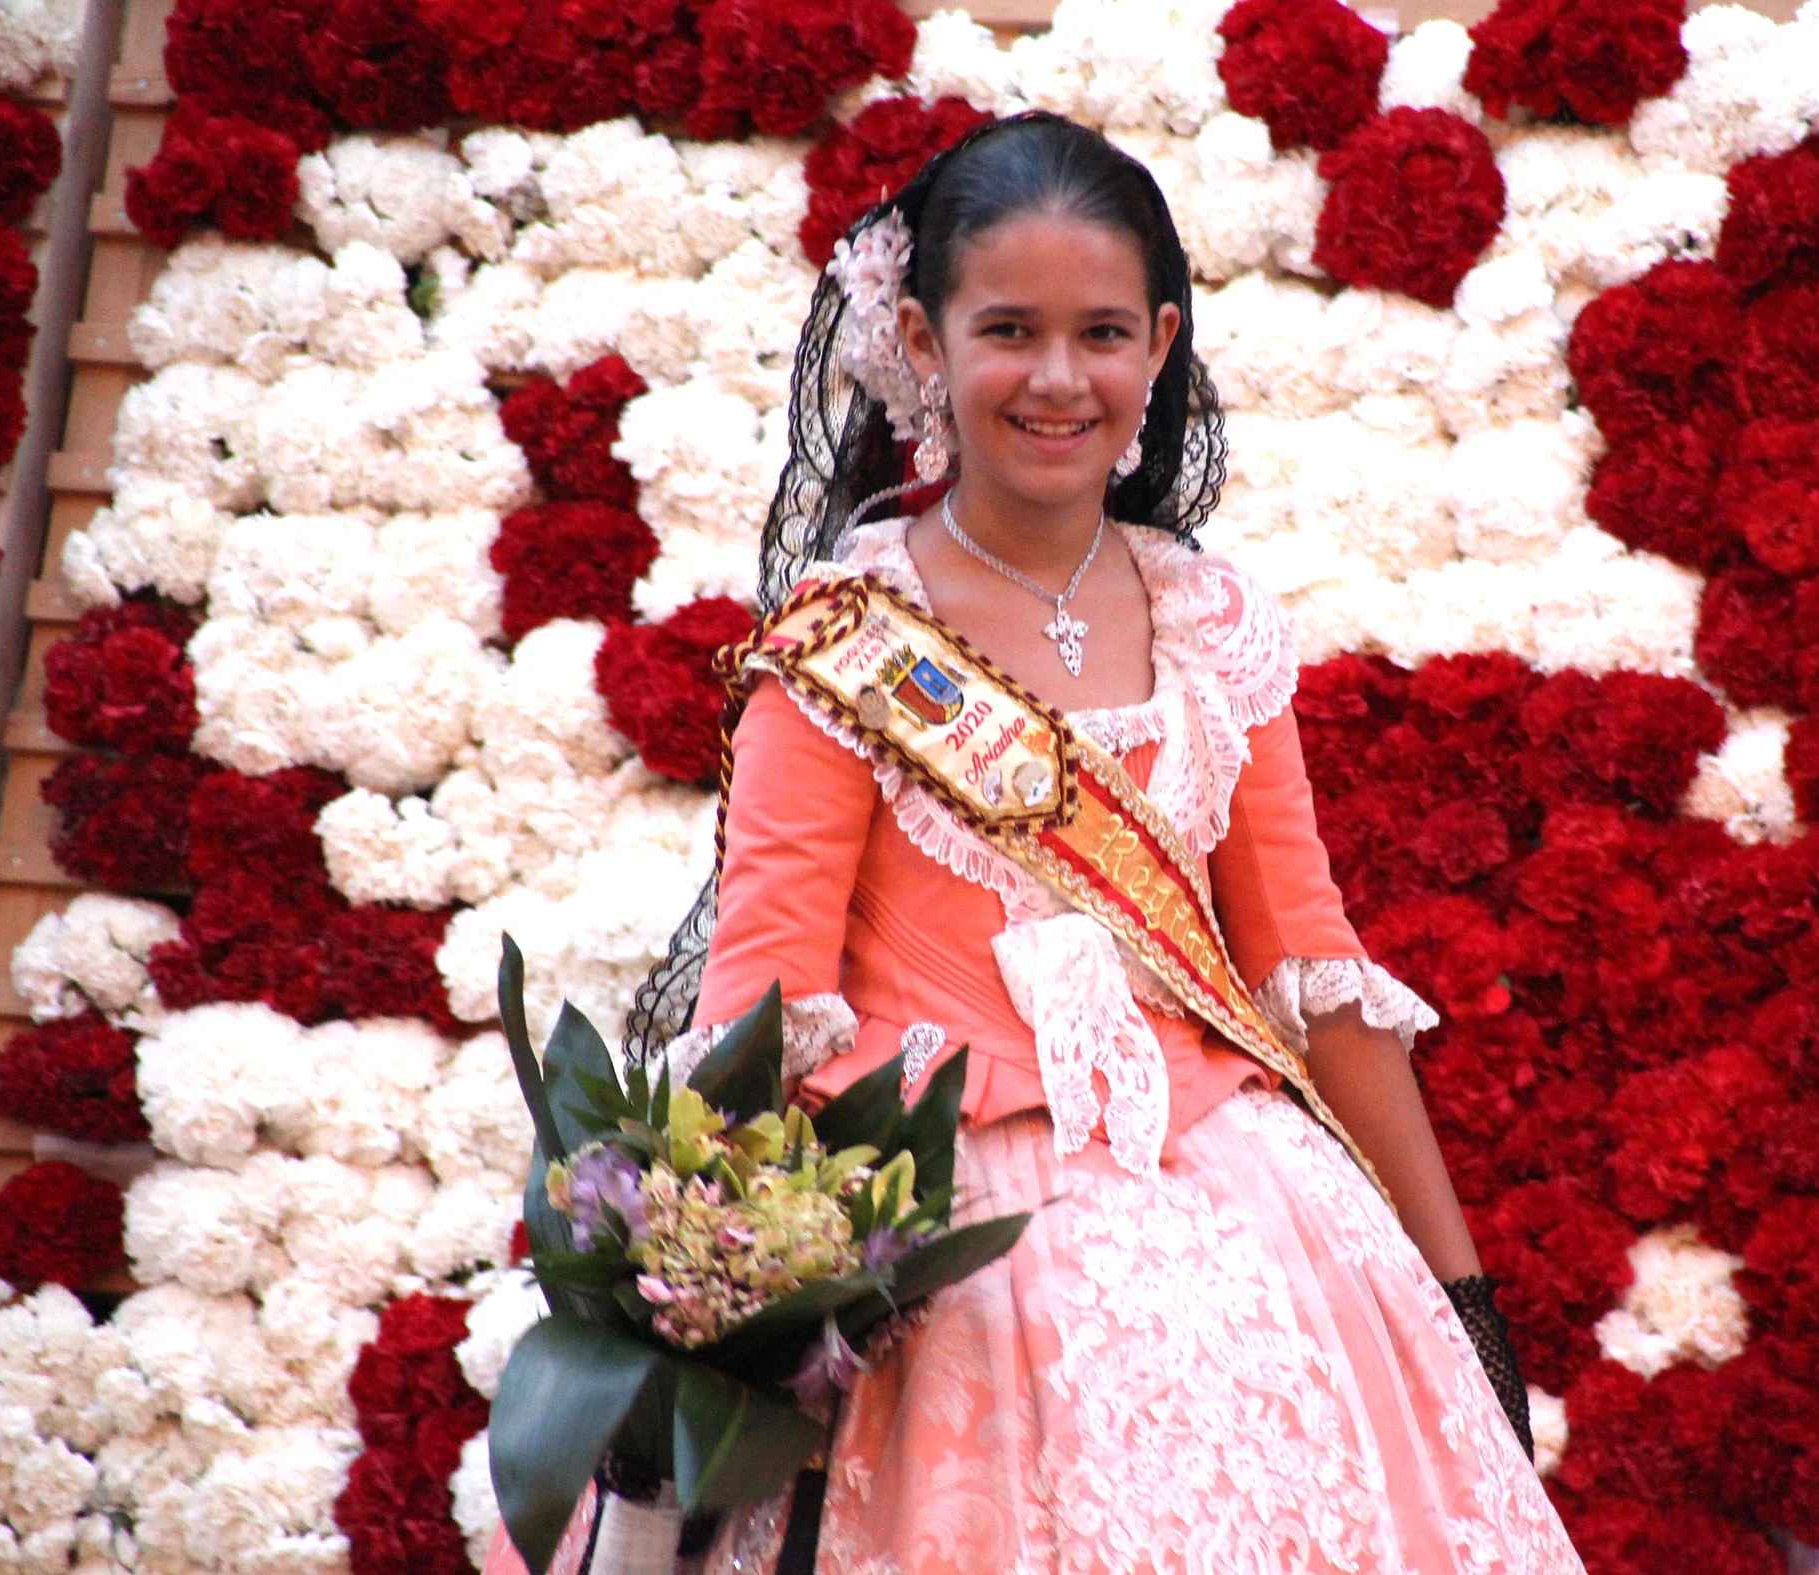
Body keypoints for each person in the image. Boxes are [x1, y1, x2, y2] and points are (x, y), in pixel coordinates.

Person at [497, 111, 1582, 1575]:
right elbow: (755, 1014)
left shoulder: (1211, 623)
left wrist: (1460, 1297)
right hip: (940, 1280)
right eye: (1006, 328)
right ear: (921, 341)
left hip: (1255, 1246)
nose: (1058, 378)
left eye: (1102, 332)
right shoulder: (846, 643)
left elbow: (1310, 973)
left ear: (1161, 345)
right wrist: (723, 1307)